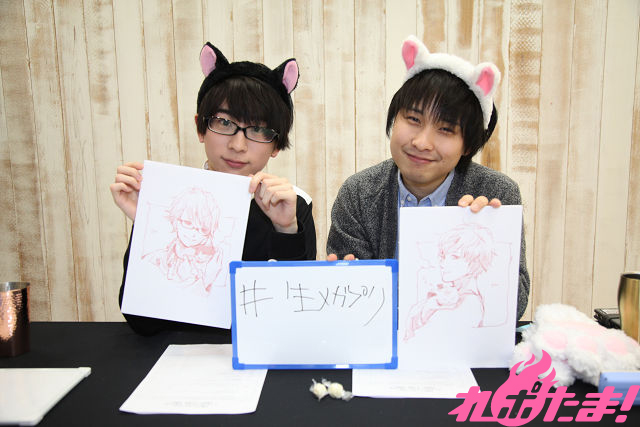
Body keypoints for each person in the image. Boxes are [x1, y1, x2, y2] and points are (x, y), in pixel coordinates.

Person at [110, 42, 317, 335]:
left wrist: (287, 230)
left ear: (276, 146)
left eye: (259, 130)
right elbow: (142, 324)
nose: (238, 145)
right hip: (179, 356)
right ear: (200, 127)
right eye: (224, 122)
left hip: (256, 358)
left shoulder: (292, 204)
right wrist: (149, 224)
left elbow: (298, 320)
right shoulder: (172, 199)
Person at [326, 35, 529, 319]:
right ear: (394, 119)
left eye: (445, 129)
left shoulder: (496, 192)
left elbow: (515, 305)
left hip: (460, 341)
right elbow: (345, 305)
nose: (422, 142)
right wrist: (342, 284)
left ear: (467, 145)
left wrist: (487, 242)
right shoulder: (359, 193)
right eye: (413, 119)